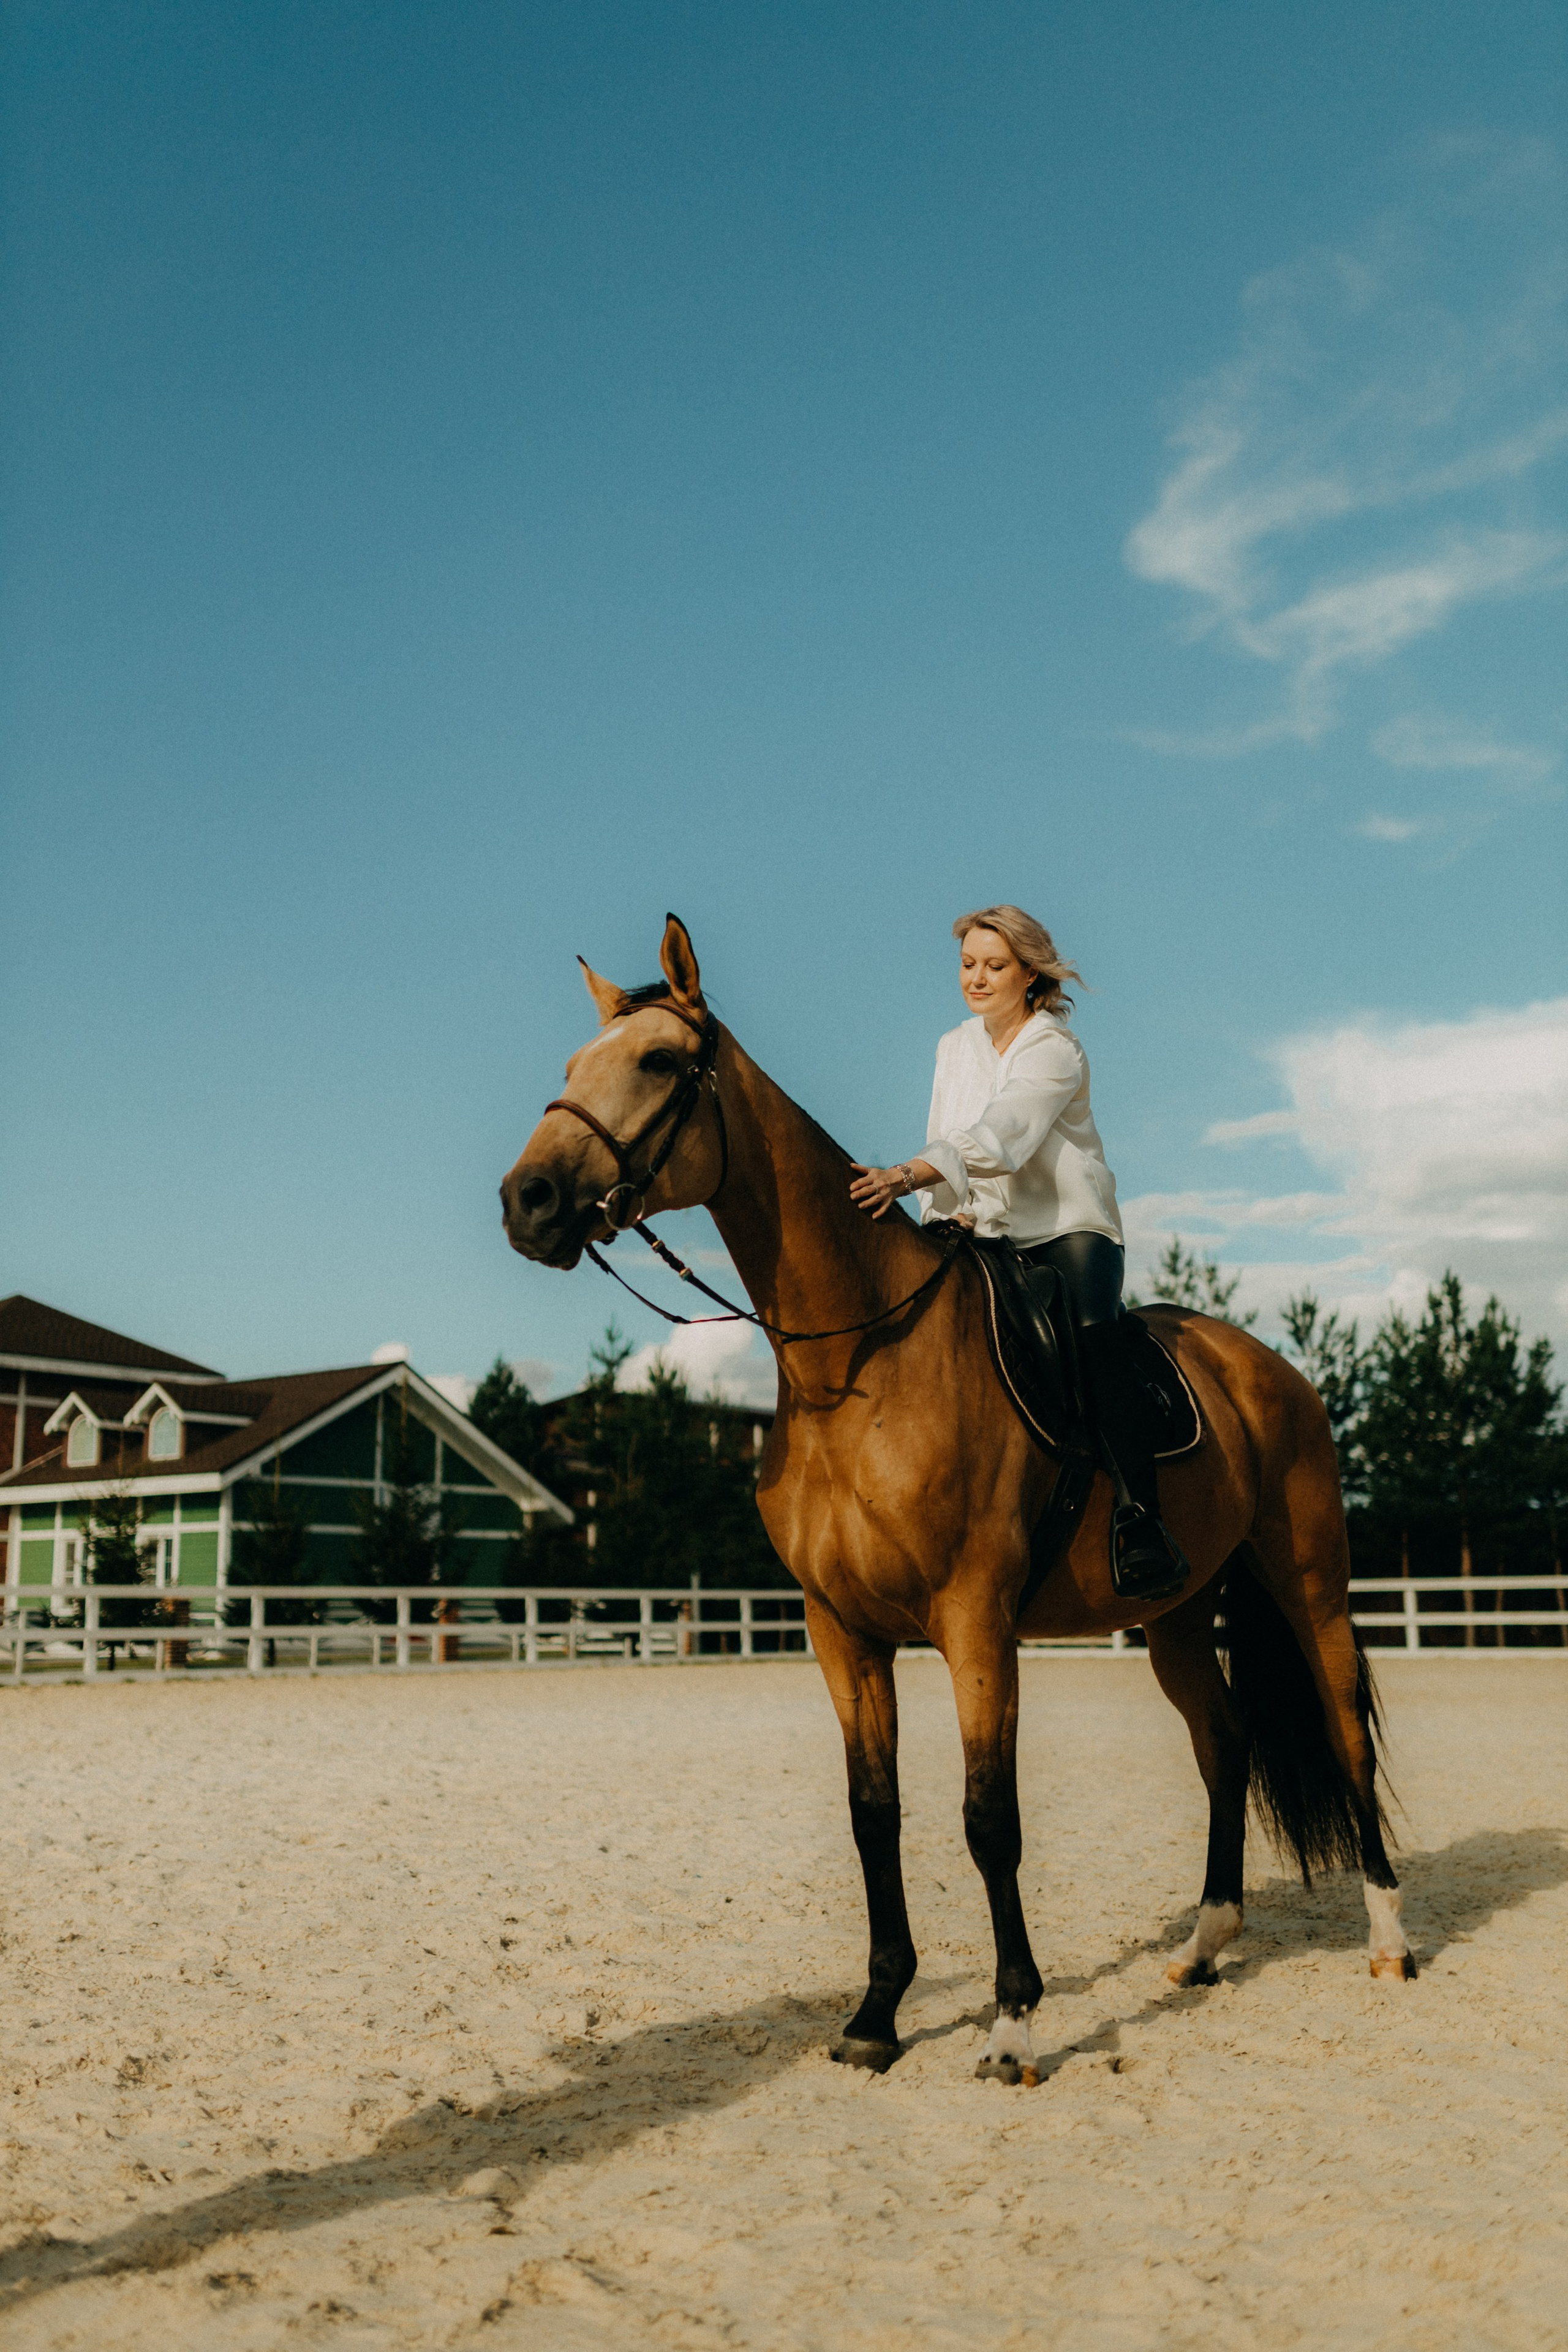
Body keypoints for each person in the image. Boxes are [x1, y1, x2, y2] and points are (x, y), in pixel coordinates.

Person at [849, 904, 1188, 1602]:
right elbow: (946, 1125)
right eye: (968, 965)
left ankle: (1139, 1520)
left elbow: (1003, 1133)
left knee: (1094, 1334)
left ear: (1030, 973)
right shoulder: (952, 1046)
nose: (977, 979)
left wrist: (909, 1174)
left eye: (994, 966)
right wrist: (934, 1217)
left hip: (1065, 1228)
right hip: (974, 1228)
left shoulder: (1054, 1048)